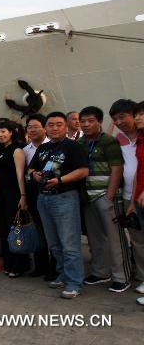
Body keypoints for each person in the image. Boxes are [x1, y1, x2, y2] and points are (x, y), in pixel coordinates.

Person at [29, 111, 89, 299]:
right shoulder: (43, 148)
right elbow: (31, 167)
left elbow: (83, 171)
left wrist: (60, 180)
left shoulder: (73, 147)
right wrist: (34, 174)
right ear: (46, 127)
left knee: (69, 243)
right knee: (54, 243)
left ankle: (74, 282)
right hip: (43, 198)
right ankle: (62, 275)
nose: (55, 128)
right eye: (51, 124)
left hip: (64, 197)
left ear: (66, 126)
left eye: (59, 124)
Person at [77, 106, 131, 292]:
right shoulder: (80, 143)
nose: (86, 124)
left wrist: (109, 195)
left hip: (106, 197)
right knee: (95, 238)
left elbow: (117, 169)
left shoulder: (109, 141)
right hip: (88, 198)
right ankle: (100, 272)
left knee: (115, 238)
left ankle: (121, 276)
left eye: (90, 120)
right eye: (83, 121)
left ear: (99, 122)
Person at [110, 99, 144, 299]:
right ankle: (142, 277)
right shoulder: (119, 140)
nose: (119, 122)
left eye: (122, 117)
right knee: (139, 242)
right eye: (115, 119)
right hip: (132, 198)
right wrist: (130, 201)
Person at [0, 120, 30, 278]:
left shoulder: (17, 150)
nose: (0, 135)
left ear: (11, 133)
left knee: (17, 230)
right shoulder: (0, 150)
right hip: (2, 195)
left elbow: (20, 175)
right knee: (6, 230)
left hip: (14, 194)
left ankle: (20, 265)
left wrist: (23, 196)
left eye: (3, 131)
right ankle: (9, 263)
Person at [23, 114, 55, 280]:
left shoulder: (53, 146)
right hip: (32, 194)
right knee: (37, 230)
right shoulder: (25, 150)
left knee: (52, 232)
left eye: (36, 126)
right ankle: (40, 264)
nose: (32, 130)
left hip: (50, 193)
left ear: (44, 128)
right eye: (29, 127)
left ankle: (55, 267)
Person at [126, 101, 144, 305]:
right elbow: (139, 172)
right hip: (138, 200)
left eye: (141, 114)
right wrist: (132, 201)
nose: (137, 118)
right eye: (136, 114)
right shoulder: (140, 140)